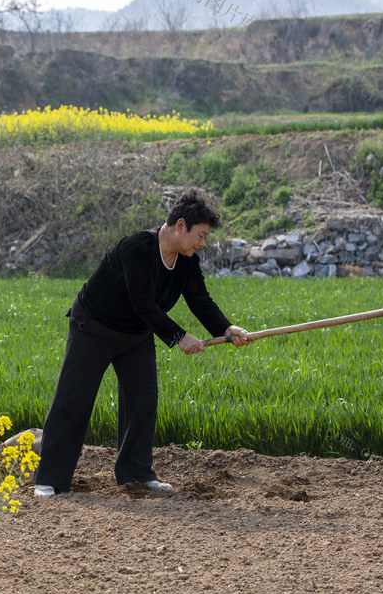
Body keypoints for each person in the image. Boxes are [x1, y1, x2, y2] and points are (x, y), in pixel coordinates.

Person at [33, 188, 251, 497]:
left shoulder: (187, 261)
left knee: (143, 402)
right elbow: (143, 303)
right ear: (180, 226)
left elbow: (200, 301)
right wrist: (178, 337)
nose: (202, 243)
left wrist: (227, 328)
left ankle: (136, 475)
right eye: (200, 235)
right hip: (93, 327)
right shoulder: (137, 248)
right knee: (74, 401)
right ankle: (49, 478)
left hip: (136, 334)